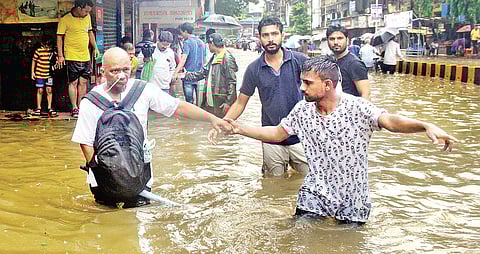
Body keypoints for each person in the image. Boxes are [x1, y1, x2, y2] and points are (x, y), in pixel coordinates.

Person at [215, 55, 459, 225]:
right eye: (302, 81)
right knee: (302, 236)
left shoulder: (358, 108)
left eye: (308, 83)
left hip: (353, 199)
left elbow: (391, 122)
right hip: (315, 194)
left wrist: (424, 125)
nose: (302, 88)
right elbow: (278, 133)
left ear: (328, 84)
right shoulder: (303, 110)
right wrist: (239, 129)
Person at [71, 47, 231, 207]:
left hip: (139, 176)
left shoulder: (142, 90)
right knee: (105, 223)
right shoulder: (91, 101)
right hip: (103, 180)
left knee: (135, 222)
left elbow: (178, 107)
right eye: (114, 71)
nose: (121, 76)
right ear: (102, 71)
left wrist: (212, 119)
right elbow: (85, 143)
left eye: (125, 70)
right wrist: (105, 175)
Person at [223, 16, 309, 177]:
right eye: (265, 35)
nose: (270, 39)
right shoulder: (254, 69)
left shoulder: (300, 61)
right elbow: (241, 103)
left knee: (311, 181)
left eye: (274, 34)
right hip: (271, 139)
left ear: (282, 35)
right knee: (273, 188)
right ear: (259, 38)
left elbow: (320, 93)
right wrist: (224, 123)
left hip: (302, 137)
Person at [56, 0, 99, 117]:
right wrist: (60, 56)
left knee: (83, 82)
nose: (87, 13)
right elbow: (59, 37)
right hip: (71, 55)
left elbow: (90, 33)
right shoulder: (65, 20)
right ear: (79, 8)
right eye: (85, 11)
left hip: (85, 55)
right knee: (73, 82)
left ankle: (81, 106)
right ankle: (74, 107)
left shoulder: (87, 17)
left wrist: (95, 48)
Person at [183, 33, 238, 118]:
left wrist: (228, 103)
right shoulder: (215, 57)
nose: (208, 47)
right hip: (211, 100)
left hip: (220, 101)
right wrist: (185, 76)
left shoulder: (227, 58)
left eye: (208, 44)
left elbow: (232, 81)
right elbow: (203, 73)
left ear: (211, 44)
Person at [327, 24, 370, 100]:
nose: (336, 42)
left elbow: (365, 94)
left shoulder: (355, 64)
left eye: (340, 38)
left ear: (347, 40)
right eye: (332, 39)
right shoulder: (328, 62)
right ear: (327, 41)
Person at [174, 22, 206, 104]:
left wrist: (175, 72)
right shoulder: (202, 43)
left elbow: (183, 59)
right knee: (200, 102)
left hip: (189, 76)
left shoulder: (187, 43)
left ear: (185, 31)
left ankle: (191, 117)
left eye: (181, 32)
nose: (181, 35)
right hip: (200, 76)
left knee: (189, 102)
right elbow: (204, 59)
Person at [31, 39, 58, 117]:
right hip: (39, 74)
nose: (47, 48)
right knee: (40, 90)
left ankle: (49, 107)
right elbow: (34, 61)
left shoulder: (52, 52)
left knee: (49, 90)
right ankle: (38, 107)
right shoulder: (38, 51)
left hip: (49, 74)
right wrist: (32, 72)